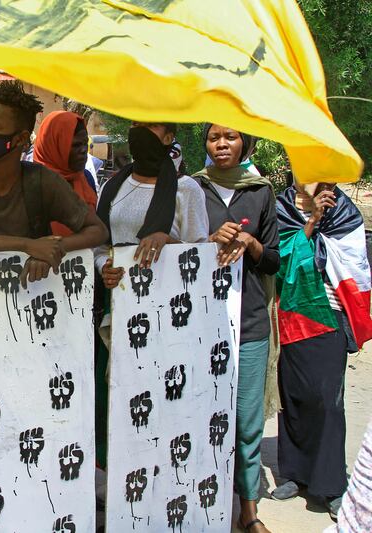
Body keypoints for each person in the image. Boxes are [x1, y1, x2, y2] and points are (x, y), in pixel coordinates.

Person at [93, 122, 208, 476]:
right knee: (118, 400)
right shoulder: (114, 185)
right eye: (137, 125)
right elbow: (100, 244)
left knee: (158, 401)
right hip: (120, 308)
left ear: (170, 137)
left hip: (166, 317)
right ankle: (121, 491)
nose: (141, 133)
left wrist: (167, 242)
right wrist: (104, 268)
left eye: (152, 127)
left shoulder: (186, 189)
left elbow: (200, 253)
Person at [0, 80, 107, 288]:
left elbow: (98, 230)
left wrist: (52, 249)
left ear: (21, 138)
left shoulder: (41, 180)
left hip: (24, 297)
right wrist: (26, 245)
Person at [193, 123, 280, 533]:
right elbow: (175, 249)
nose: (222, 144)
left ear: (245, 142)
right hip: (197, 326)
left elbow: (274, 260)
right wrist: (208, 240)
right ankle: (197, 505)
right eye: (214, 138)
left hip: (249, 325)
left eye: (230, 137)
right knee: (198, 417)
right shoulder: (191, 189)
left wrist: (251, 242)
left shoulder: (261, 190)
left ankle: (247, 513)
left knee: (247, 423)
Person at [273, 180, 372, 519]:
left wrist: (321, 222)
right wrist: (311, 220)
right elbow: (282, 260)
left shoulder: (345, 211)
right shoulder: (282, 206)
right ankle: (293, 474)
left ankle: (330, 485)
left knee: (327, 400)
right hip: (290, 315)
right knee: (294, 396)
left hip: (329, 315)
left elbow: (356, 263)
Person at [33, 110, 97, 236]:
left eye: (85, 143)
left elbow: (97, 230)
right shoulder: (32, 183)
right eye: (75, 145)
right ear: (54, 145)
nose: (84, 150)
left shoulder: (86, 179)